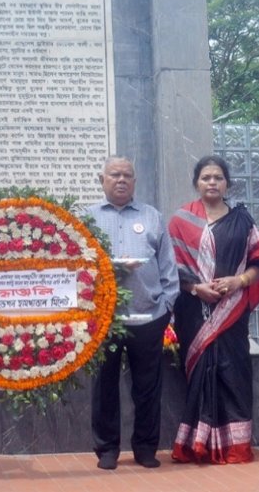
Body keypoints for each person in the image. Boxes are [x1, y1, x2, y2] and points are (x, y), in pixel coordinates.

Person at [166, 154, 259, 465]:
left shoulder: (242, 221)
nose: (212, 182)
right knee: (200, 373)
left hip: (232, 311)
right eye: (206, 178)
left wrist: (239, 281)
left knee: (233, 372)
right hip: (193, 310)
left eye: (218, 178)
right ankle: (196, 444)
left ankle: (234, 446)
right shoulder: (180, 220)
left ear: (227, 183)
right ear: (196, 183)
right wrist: (195, 288)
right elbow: (169, 268)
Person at [88, 156, 180, 470]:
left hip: (148, 315)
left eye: (127, 175)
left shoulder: (151, 216)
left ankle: (145, 448)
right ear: (102, 179)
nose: (121, 180)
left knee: (147, 386)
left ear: (135, 181)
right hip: (105, 318)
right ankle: (107, 449)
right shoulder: (87, 219)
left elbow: (168, 265)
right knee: (105, 385)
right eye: (115, 174)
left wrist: (166, 306)